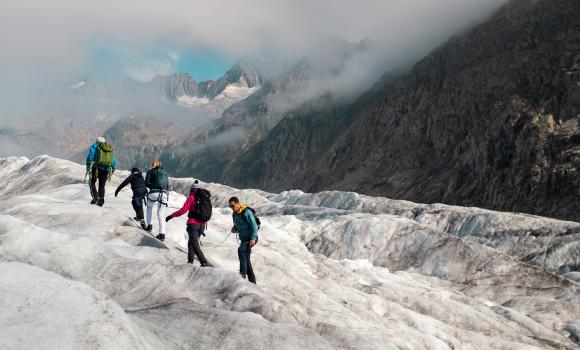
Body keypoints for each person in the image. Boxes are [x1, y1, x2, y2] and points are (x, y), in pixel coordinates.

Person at [166, 180, 211, 267]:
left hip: (193, 224)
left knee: (194, 244)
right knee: (191, 243)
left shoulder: (192, 196)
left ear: (192, 189)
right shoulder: (205, 197)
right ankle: (190, 262)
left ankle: (203, 262)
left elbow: (183, 210)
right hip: (202, 225)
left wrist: (171, 216)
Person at [229, 196, 258, 284]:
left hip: (251, 238)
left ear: (238, 203)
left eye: (233, 206)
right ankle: (252, 282)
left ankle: (242, 273)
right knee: (247, 260)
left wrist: (253, 238)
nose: (232, 208)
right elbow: (239, 225)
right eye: (230, 206)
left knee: (241, 250)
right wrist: (235, 228)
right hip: (244, 238)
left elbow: (254, 226)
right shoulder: (234, 214)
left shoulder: (247, 212)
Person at [86, 136, 116, 207]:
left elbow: (90, 157)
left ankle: (95, 198)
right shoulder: (108, 147)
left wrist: (88, 165)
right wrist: (112, 169)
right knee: (102, 185)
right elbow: (113, 160)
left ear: (96, 141)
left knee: (92, 182)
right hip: (106, 169)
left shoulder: (95, 146)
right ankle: (101, 200)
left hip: (96, 168)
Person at [144, 160, 169, 241]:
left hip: (153, 193)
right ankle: (162, 234)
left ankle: (149, 226)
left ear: (153, 165)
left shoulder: (150, 171)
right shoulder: (165, 173)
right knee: (161, 214)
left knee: (149, 208)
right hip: (164, 194)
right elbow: (167, 186)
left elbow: (146, 183)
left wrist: (152, 186)